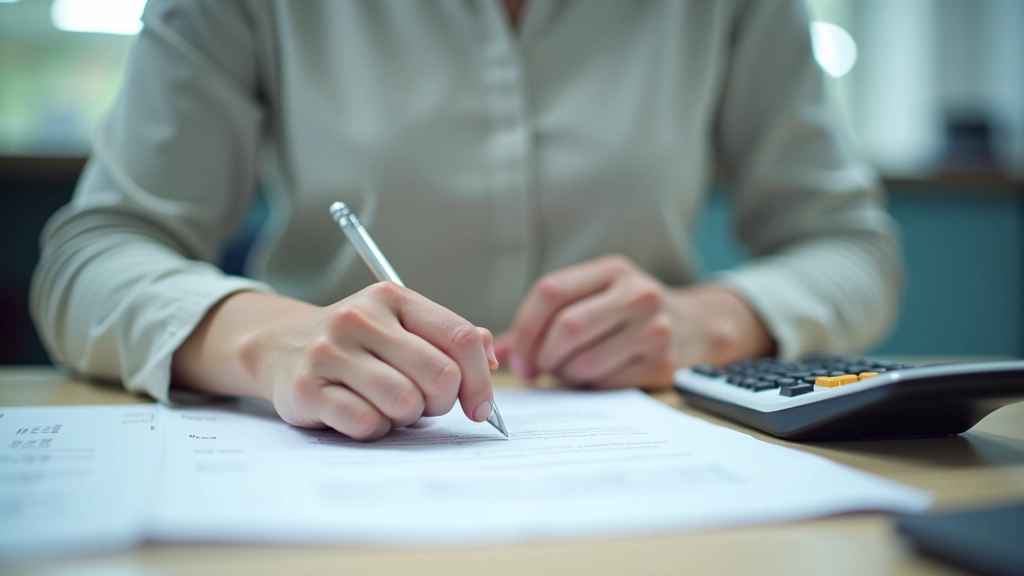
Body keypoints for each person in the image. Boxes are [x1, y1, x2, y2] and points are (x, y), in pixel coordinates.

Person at [31, 0, 902, 441]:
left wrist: (708, 320)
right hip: (331, 472)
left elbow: (852, 247)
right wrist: (274, 341)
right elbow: (91, 257)